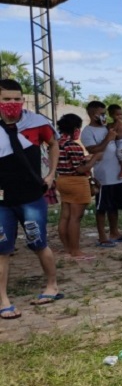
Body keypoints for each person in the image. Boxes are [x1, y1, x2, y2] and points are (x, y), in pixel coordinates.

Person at [0, 78, 62, 319]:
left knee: (38, 242)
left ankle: (52, 286)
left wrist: (51, 173)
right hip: (2, 201)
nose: (12, 103)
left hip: (31, 197)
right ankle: (3, 300)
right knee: (2, 249)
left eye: (16, 98)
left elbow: (54, 143)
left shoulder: (36, 123)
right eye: (6, 99)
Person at [81, 100, 122, 248]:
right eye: (102, 114)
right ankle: (102, 237)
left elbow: (119, 143)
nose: (104, 116)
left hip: (117, 173)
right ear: (92, 114)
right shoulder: (88, 132)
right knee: (102, 207)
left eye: (105, 114)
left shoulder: (108, 127)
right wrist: (107, 139)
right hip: (103, 176)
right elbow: (93, 151)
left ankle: (114, 232)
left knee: (114, 206)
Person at [55, 113, 100, 260]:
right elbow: (80, 169)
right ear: (75, 128)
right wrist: (94, 159)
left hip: (62, 179)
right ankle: (75, 250)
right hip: (76, 182)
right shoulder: (73, 146)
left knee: (65, 216)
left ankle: (67, 247)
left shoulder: (56, 143)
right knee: (75, 218)